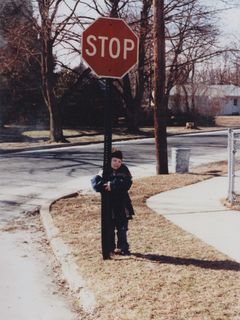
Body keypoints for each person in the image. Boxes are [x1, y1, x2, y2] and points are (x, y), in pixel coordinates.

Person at [91, 149, 134, 256]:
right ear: (109, 160)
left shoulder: (124, 170)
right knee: (109, 228)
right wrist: (100, 178)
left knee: (122, 228)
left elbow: (127, 183)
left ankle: (123, 247)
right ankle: (110, 247)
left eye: (119, 161)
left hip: (122, 204)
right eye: (114, 160)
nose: (117, 163)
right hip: (109, 205)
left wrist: (113, 185)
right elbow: (96, 186)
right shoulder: (104, 171)